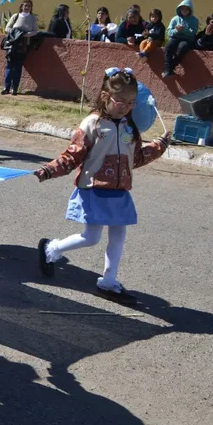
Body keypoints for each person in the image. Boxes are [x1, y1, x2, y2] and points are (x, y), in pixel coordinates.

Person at [35, 68, 170, 304]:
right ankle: (51, 249)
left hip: (120, 192)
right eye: (121, 101)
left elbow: (135, 159)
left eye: (131, 103)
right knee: (91, 238)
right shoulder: (92, 124)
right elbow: (72, 156)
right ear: (106, 97)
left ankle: (108, 281)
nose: (126, 107)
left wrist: (158, 146)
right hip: (94, 189)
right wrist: (49, 169)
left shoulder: (130, 127)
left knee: (118, 237)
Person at [1, 0, 39, 95]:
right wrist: (16, 33)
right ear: (21, 6)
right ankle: (6, 87)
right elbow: (7, 28)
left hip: (24, 45)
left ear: (31, 8)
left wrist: (24, 35)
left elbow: (35, 31)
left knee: (18, 67)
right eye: (25, 5)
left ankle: (15, 88)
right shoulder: (15, 16)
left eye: (29, 6)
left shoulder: (32, 18)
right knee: (9, 66)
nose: (27, 7)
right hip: (12, 44)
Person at [162, 0, 199, 77]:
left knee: (182, 47)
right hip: (175, 37)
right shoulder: (175, 19)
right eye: (182, 9)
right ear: (179, 9)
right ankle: (167, 69)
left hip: (187, 39)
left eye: (186, 9)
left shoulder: (194, 20)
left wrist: (184, 30)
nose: (184, 10)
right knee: (168, 47)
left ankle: (171, 67)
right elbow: (169, 31)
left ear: (190, 10)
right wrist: (176, 30)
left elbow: (193, 33)